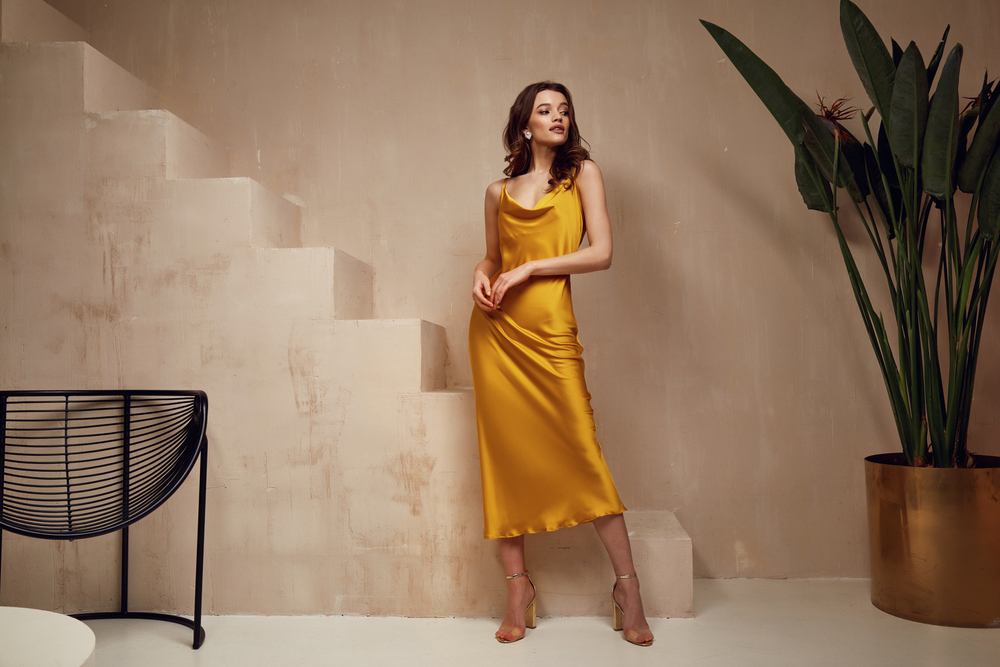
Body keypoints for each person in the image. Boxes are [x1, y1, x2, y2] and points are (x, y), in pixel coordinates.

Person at [467, 81, 654, 647]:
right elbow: (495, 257)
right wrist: (481, 273)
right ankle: (517, 587)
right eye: (544, 110)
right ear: (524, 124)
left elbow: (601, 252)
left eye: (564, 109)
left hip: (550, 333)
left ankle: (628, 587)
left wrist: (530, 270)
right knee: (506, 462)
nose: (557, 117)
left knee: (584, 454)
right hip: (497, 335)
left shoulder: (583, 175)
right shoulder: (497, 192)